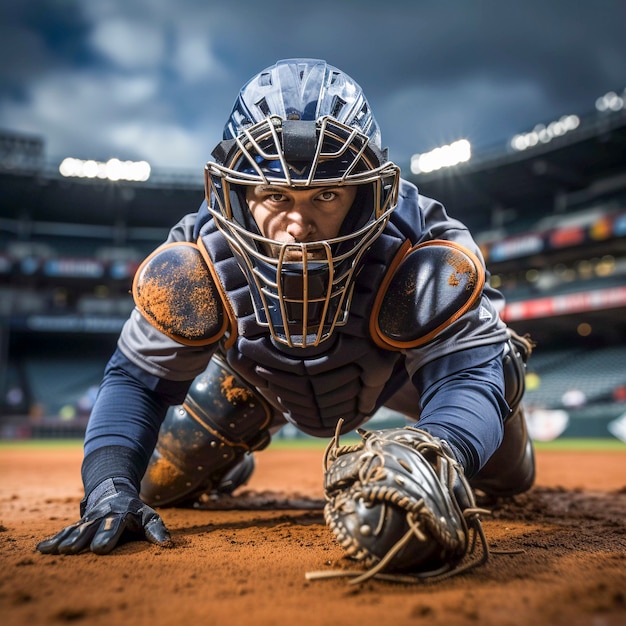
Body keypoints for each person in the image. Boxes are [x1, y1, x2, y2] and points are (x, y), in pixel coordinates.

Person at [37, 58, 535, 559]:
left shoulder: (421, 247)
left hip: (402, 376)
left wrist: (436, 450)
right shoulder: (197, 259)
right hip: (260, 379)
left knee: (507, 465)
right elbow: (135, 381)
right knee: (150, 486)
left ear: (365, 193)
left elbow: (465, 378)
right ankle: (231, 459)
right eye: (274, 194)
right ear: (235, 193)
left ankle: (490, 414)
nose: (298, 225)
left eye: (326, 194)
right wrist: (106, 488)